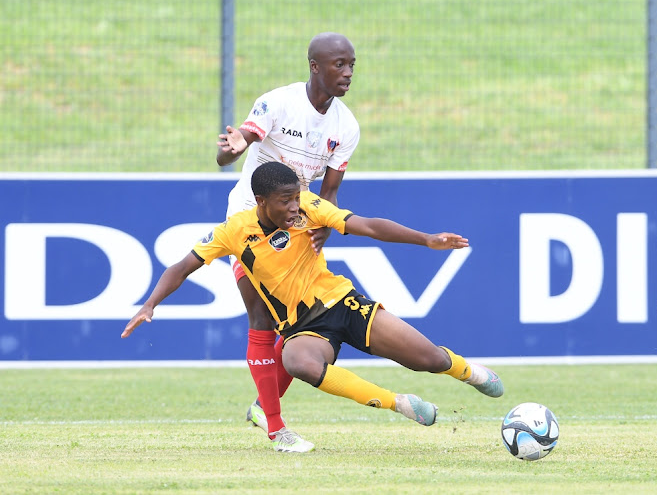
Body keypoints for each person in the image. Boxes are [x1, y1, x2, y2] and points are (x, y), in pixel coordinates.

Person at [121, 162, 504, 452]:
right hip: (304, 327)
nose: (294, 206)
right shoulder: (232, 232)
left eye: (295, 197)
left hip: (346, 304)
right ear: (260, 202)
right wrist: (150, 304)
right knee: (298, 362)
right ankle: (399, 403)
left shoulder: (309, 205)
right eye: (285, 200)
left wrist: (427, 240)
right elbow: (182, 265)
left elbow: (366, 225)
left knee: (429, 360)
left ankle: (466, 370)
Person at [215, 32, 360, 449]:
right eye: (338, 65)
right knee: (261, 316)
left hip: (299, 224)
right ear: (315, 66)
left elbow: (329, 193)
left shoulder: (346, 125)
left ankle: (264, 406)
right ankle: (277, 428)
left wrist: (326, 228)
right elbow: (230, 151)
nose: (347, 73)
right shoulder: (278, 102)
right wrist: (236, 146)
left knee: (307, 322)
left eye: (351, 64)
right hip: (250, 222)